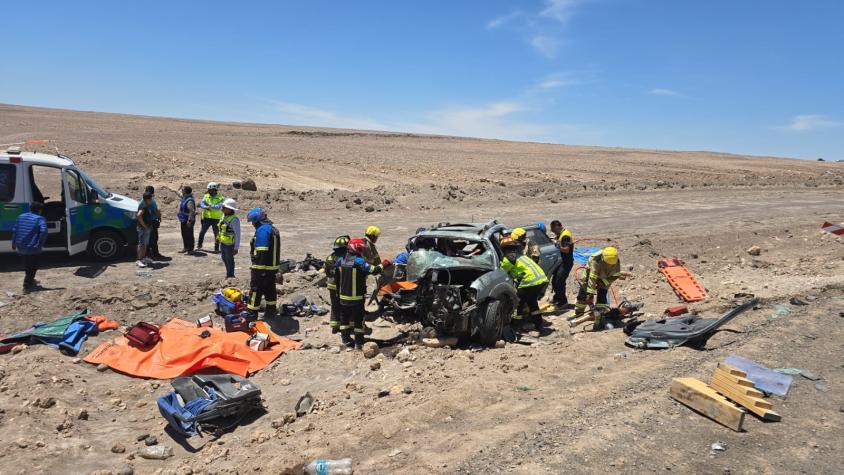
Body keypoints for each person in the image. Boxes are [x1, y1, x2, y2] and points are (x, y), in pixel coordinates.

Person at [337, 238, 385, 349]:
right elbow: (374, 270)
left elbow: (334, 271)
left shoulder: (340, 260)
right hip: (357, 298)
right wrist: (384, 264)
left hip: (343, 297)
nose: (361, 251)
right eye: (360, 249)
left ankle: (346, 340)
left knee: (344, 320)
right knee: (358, 321)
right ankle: (358, 343)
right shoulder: (359, 261)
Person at [501, 245, 549, 333]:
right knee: (532, 303)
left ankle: (516, 327)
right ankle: (539, 325)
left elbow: (501, 273)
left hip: (529, 282)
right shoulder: (522, 256)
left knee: (517, 304)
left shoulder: (507, 259)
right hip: (542, 280)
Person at [573, 247, 631, 319]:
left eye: (611, 264)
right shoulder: (596, 260)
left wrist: (603, 283)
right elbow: (592, 277)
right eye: (608, 263)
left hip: (604, 278)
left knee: (602, 295)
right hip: (590, 275)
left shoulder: (616, 262)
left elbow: (615, 275)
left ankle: (599, 314)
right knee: (583, 295)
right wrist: (590, 293)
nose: (610, 265)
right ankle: (579, 313)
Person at [246, 208, 281, 319]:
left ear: (257, 220)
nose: (252, 224)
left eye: (253, 221)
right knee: (270, 290)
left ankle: (252, 314)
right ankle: (271, 312)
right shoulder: (273, 229)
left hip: (262, 268)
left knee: (256, 291)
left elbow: (262, 250)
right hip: (272, 268)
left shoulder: (263, 230)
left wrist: (259, 270)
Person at [11, 202, 48, 293]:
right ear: (40, 210)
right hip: (33, 247)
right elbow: (44, 232)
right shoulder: (40, 218)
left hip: (21, 246)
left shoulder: (21, 216)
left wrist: (14, 243)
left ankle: (31, 280)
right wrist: (40, 243)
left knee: (27, 265)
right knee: (33, 267)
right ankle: (26, 286)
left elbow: (15, 230)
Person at [324, 235, 350, 334]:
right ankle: (346, 325)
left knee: (335, 305)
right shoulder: (347, 258)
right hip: (343, 286)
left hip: (332, 285)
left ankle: (335, 326)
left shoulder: (330, 257)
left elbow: (327, 272)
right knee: (345, 305)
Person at [549, 220, 574, 306]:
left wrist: (556, 245)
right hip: (560, 262)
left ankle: (563, 302)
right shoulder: (560, 234)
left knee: (559, 281)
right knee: (554, 281)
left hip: (566, 262)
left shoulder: (565, 236)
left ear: (559, 227)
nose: (553, 231)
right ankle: (557, 297)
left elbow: (566, 250)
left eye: (554, 229)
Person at [197, 182, 225, 253]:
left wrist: (209, 205)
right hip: (206, 218)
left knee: (217, 234)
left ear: (214, 190)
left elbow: (218, 207)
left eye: (210, 190)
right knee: (202, 232)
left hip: (216, 219)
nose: (209, 191)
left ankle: (216, 248)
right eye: (208, 189)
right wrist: (206, 206)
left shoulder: (221, 198)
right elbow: (201, 204)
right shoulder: (206, 196)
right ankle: (199, 245)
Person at [217, 199, 241, 279]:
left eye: (224, 207)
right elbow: (221, 228)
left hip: (230, 245)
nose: (222, 208)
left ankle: (231, 275)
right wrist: (218, 238)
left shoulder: (234, 220)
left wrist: (236, 248)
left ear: (230, 209)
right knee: (224, 258)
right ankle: (228, 273)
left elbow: (237, 234)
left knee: (229, 260)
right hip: (223, 242)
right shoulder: (223, 216)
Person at [143, 185, 168, 261]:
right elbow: (156, 211)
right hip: (151, 222)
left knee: (149, 239)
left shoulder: (143, 200)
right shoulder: (151, 201)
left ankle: (150, 254)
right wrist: (159, 217)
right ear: (153, 192)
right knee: (153, 238)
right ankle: (154, 254)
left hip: (147, 222)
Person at [136, 192, 155, 267]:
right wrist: (144, 225)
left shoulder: (146, 204)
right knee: (141, 244)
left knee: (145, 244)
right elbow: (139, 215)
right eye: (151, 199)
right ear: (148, 199)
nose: (151, 200)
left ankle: (143, 258)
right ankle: (139, 260)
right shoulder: (143, 206)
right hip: (143, 228)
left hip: (146, 227)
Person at [177, 186, 197, 254]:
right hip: (183, 219)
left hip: (188, 220)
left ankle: (190, 249)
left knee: (189, 234)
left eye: (183, 190)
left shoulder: (189, 201)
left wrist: (189, 220)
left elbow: (191, 211)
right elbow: (179, 194)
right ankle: (185, 247)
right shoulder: (185, 197)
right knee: (184, 234)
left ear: (185, 191)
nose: (182, 191)